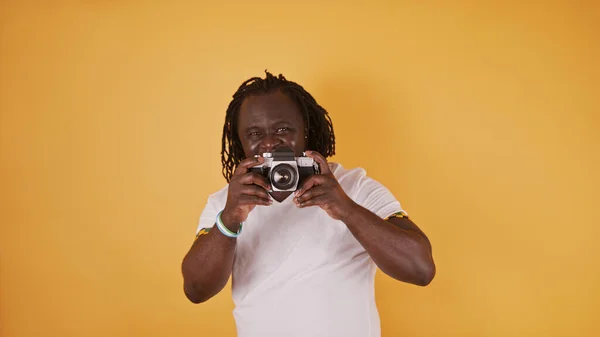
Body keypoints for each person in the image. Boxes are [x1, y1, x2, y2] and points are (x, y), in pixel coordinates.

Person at [181, 71, 436, 337]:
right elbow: (196, 290)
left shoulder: (353, 187)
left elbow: (421, 269)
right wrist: (230, 219)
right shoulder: (226, 203)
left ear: (307, 131)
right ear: (240, 143)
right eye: (255, 133)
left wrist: (346, 209)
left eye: (282, 129)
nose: (269, 142)